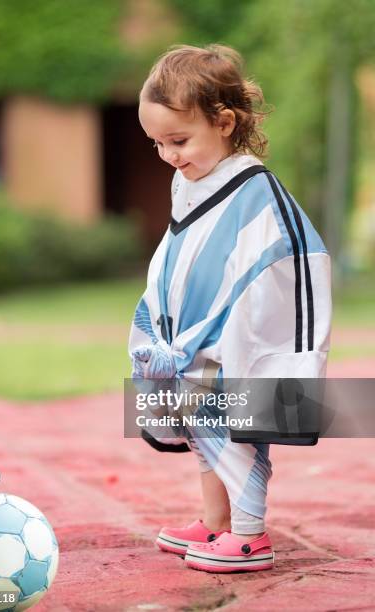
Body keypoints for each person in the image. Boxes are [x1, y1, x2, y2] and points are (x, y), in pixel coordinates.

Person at [129, 44, 331, 573]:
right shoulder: (191, 182)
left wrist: (238, 336)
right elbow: (183, 254)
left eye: (179, 140)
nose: (169, 155)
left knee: (235, 430)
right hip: (191, 341)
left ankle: (249, 534)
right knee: (202, 432)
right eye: (157, 144)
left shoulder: (255, 189)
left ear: (223, 122)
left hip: (235, 343)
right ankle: (215, 521)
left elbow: (285, 262)